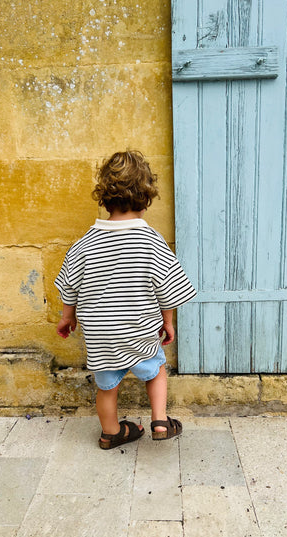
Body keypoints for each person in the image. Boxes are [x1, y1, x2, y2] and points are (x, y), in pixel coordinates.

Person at [55, 150, 196, 449]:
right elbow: (168, 288)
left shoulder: (85, 243)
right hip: (139, 328)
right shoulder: (151, 240)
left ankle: (111, 433)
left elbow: (69, 285)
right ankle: (160, 420)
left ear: (104, 196)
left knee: (107, 386)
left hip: (100, 334)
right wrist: (167, 321)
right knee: (155, 370)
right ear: (145, 197)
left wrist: (68, 317)